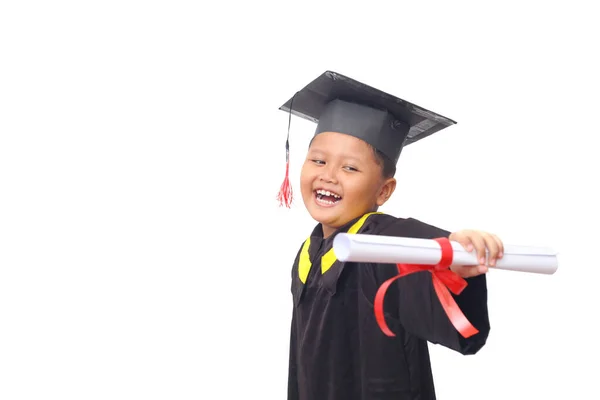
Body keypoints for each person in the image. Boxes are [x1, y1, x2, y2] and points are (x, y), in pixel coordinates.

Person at [278, 71, 504, 400]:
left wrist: (455, 257)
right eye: (318, 160)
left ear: (383, 191)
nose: (328, 175)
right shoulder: (310, 251)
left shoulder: (382, 244)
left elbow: (425, 247)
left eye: (350, 168)